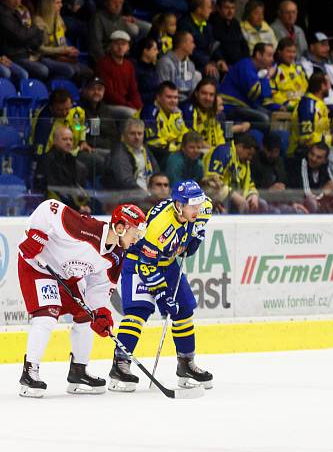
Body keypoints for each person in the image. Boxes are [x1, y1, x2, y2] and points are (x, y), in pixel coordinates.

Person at [17, 200, 145, 397]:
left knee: (87, 316)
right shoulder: (86, 228)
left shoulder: (116, 256)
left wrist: (100, 312)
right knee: (47, 316)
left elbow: (99, 287)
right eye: (135, 233)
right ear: (120, 227)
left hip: (67, 276)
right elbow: (50, 207)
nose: (137, 239)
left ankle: (78, 372)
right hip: (37, 266)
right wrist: (36, 234)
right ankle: (29, 372)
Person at [111, 180, 213, 391]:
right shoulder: (159, 226)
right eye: (192, 206)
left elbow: (195, 229)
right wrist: (161, 293)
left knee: (184, 310)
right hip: (139, 262)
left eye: (199, 205)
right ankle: (120, 366)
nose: (198, 209)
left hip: (167, 263)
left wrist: (195, 238)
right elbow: (147, 265)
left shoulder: (202, 209)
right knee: (138, 312)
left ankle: (186, 365)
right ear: (178, 204)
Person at [33, 0, 92, 82]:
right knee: (69, 70)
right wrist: (63, 50)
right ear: (48, 5)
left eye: (61, 2)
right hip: (42, 58)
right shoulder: (38, 22)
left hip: (57, 56)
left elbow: (62, 42)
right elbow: (40, 48)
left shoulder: (59, 19)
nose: (61, 5)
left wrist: (68, 51)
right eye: (57, 3)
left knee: (88, 72)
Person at [287, 70, 333, 156]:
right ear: (322, 86)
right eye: (329, 83)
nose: (330, 87)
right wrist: (330, 139)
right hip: (301, 155)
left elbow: (320, 127)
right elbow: (306, 138)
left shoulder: (319, 104)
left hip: (320, 152)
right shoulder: (307, 106)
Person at [35, 126, 90, 213]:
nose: (68, 143)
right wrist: (77, 208)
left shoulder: (71, 160)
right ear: (54, 141)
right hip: (54, 208)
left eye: (71, 140)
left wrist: (83, 205)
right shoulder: (47, 160)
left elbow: (74, 186)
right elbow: (57, 190)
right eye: (64, 139)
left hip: (71, 206)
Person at [102, 118, 161, 201]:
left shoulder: (144, 150)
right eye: (132, 133)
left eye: (139, 134)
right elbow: (125, 181)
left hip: (148, 194)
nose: (137, 137)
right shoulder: (119, 153)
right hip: (127, 197)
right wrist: (146, 195)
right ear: (124, 135)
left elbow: (156, 173)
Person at [217, 42, 273, 128]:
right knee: (264, 119)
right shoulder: (246, 65)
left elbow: (264, 96)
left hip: (243, 106)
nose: (272, 59)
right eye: (269, 55)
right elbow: (254, 93)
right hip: (230, 106)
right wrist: (267, 77)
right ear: (258, 55)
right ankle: (245, 127)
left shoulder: (255, 70)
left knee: (270, 115)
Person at [204, 134, 263, 213]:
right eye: (249, 154)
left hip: (235, 198)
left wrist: (253, 195)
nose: (250, 158)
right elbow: (212, 180)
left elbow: (250, 184)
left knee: (262, 204)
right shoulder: (223, 152)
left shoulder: (245, 163)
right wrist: (232, 195)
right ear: (240, 147)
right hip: (213, 195)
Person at [0, 0, 46, 80]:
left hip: (25, 52)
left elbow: (32, 37)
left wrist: (35, 33)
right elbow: (21, 36)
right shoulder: (3, 13)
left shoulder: (20, 12)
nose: (17, 2)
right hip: (13, 55)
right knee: (39, 71)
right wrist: (36, 27)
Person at [139, 81, 189, 167]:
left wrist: (185, 146)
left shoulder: (177, 113)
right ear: (158, 97)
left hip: (172, 151)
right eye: (169, 97)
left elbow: (185, 135)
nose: (173, 101)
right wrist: (178, 148)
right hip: (152, 154)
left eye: (176, 97)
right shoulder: (150, 112)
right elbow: (154, 142)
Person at [95, 30, 142, 117]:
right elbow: (108, 93)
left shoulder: (129, 65)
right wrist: (128, 104)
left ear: (128, 47)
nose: (120, 47)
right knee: (130, 113)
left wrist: (139, 106)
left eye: (123, 44)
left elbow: (133, 90)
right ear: (111, 45)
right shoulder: (104, 64)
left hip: (125, 103)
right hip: (108, 105)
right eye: (117, 43)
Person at [178, 0, 224, 78]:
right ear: (199, 9)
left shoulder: (207, 26)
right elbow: (188, 50)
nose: (211, 11)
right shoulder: (184, 24)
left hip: (206, 62)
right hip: (189, 64)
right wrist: (206, 63)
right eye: (209, 7)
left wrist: (219, 60)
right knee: (213, 74)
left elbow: (213, 45)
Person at [298, 32, 333, 108]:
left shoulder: (329, 66)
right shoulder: (302, 66)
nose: (327, 48)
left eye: (328, 45)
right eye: (323, 45)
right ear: (312, 47)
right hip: (315, 108)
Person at [156, 30, 200, 99]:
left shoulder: (190, 65)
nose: (194, 46)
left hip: (185, 104)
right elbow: (163, 92)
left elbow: (192, 93)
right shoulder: (165, 63)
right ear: (182, 44)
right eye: (192, 42)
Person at [270, 37, 308, 111]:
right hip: (287, 107)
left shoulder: (299, 69)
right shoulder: (274, 70)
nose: (292, 55)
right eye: (288, 51)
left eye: (294, 52)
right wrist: (288, 105)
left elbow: (307, 89)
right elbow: (273, 94)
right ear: (279, 52)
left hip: (302, 104)